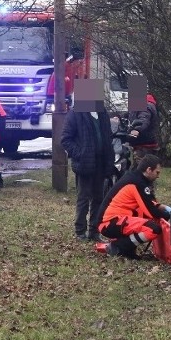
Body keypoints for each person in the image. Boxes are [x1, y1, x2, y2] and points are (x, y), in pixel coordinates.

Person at [96, 154, 171, 258]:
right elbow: (151, 211)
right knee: (153, 228)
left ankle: (127, 249)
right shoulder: (137, 183)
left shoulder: (135, 178)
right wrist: (170, 215)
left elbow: (151, 203)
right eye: (157, 172)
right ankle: (119, 246)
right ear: (149, 170)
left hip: (113, 220)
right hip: (109, 222)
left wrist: (166, 209)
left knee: (151, 219)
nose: (158, 176)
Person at [61, 102, 112, 241]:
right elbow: (65, 139)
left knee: (98, 198)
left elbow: (108, 138)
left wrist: (109, 161)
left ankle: (94, 231)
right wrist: (80, 154)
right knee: (83, 197)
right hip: (85, 163)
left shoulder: (102, 113)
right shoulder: (75, 114)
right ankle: (80, 231)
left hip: (101, 162)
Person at [126, 93, 160, 163]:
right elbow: (133, 116)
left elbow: (143, 120)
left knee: (141, 169)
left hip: (144, 145)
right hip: (141, 143)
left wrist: (136, 130)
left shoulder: (146, 106)